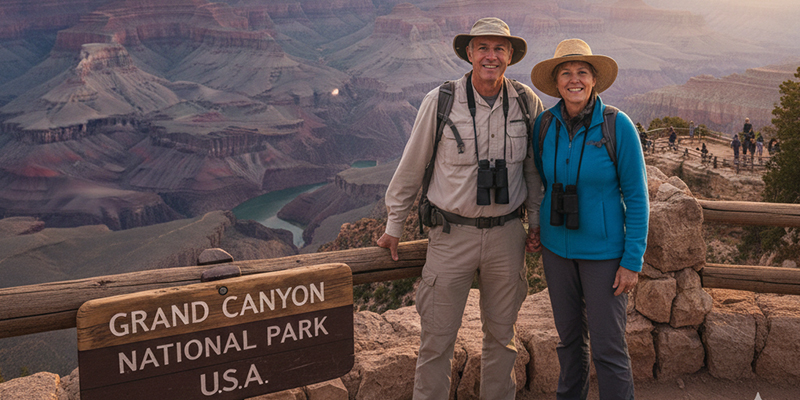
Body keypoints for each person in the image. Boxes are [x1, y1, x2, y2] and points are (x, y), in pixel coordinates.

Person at [377, 17, 544, 400]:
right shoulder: (441, 101)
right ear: (469, 53)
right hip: (450, 236)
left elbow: (534, 170)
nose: (491, 56)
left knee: (503, 338)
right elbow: (412, 165)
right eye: (482, 48)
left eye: (499, 49)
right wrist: (394, 223)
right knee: (436, 340)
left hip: (507, 236)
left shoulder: (525, 101)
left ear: (510, 56)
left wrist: (535, 222)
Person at [528, 38, 648, 400]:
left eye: (582, 72)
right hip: (556, 250)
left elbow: (637, 197)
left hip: (604, 256)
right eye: (566, 72)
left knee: (608, 349)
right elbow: (540, 181)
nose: (574, 79)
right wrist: (535, 228)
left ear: (594, 79)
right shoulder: (544, 126)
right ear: (557, 82)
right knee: (568, 343)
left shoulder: (617, 126)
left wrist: (632, 260)